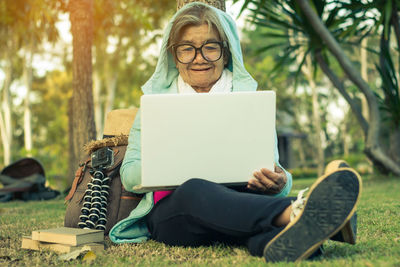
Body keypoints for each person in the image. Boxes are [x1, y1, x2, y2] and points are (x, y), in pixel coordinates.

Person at [109, 2, 361, 262]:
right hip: (176, 212)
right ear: (174, 55)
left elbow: (274, 167)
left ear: (226, 53)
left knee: (249, 222)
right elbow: (129, 175)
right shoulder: (155, 102)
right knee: (195, 189)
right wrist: (182, 164)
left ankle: (287, 238)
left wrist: (281, 181)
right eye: (187, 49)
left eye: (210, 47)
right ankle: (298, 212)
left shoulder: (247, 100)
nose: (199, 57)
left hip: (242, 202)